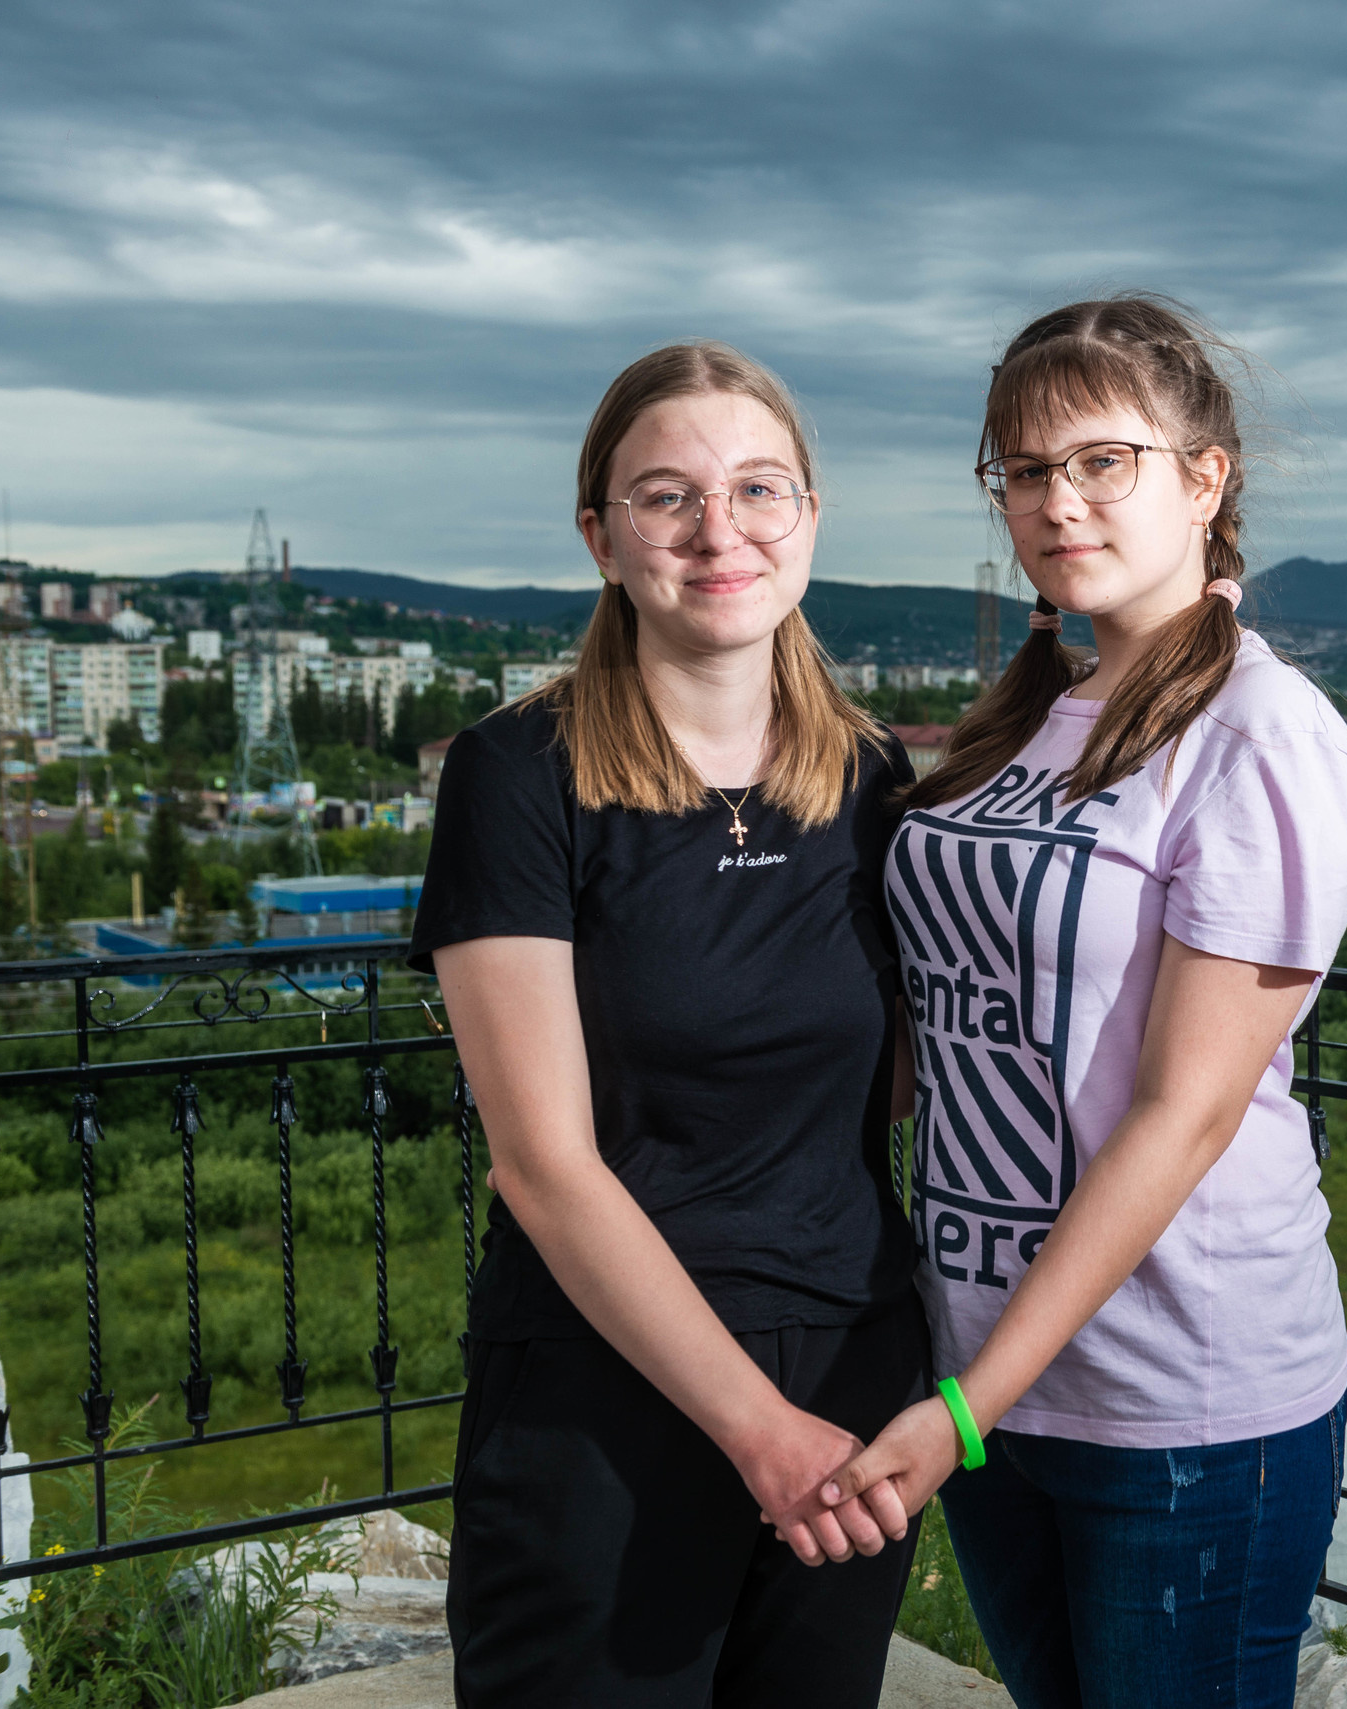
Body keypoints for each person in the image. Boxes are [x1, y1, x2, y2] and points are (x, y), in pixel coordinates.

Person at [824, 295, 1347, 1708]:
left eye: (1100, 461)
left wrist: (966, 1405)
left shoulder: (1262, 733)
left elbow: (1184, 1115)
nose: (1056, 501)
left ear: (1207, 475)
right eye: (1021, 470)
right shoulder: (1026, 713)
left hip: (1180, 1398)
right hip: (998, 1373)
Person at [412, 341, 925, 1707]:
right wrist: (757, 1428)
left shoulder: (875, 777)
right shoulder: (516, 774)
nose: (720, 532)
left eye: (761, 489)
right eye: (666, 496)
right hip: (604, 1388)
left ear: (810, 516)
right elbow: (544, 1163)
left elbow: (897, 1085)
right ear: (600, 532)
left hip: (853, 1373)